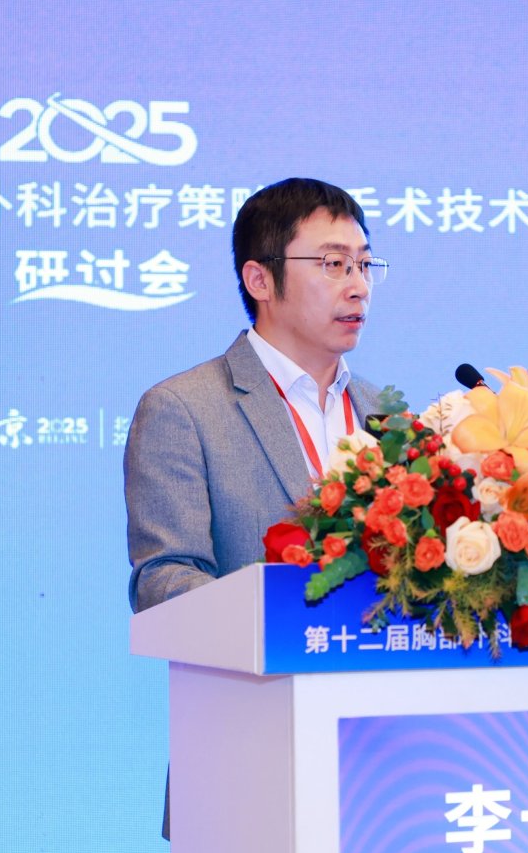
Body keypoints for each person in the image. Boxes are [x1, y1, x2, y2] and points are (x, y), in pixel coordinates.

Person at [124, 178, 389, 612]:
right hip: (260, 657)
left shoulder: (384, 413)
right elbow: (163, 580)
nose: (358, 285)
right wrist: (277, 611)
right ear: (259, 280)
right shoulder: (183, 410)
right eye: (334, 264)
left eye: (364, 264)